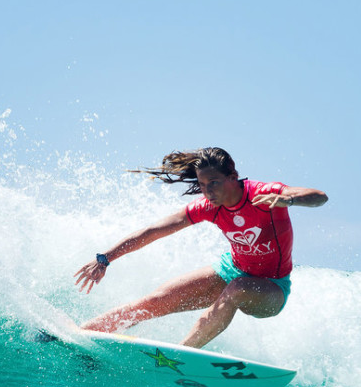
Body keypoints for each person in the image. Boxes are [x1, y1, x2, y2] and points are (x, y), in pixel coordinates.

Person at [74, 147, 327, 349]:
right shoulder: (208, 207)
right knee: (157, 301)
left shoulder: (264, 195)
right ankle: (84, 334)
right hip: (231, 270)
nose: (207, 191)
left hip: (272, 288)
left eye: (213, 183)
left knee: (238, 288)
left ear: (233, 176)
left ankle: (181, 355)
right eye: (203, 185)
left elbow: (320, 196)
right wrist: (106, 257)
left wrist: (288, 199)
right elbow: (154, 230)